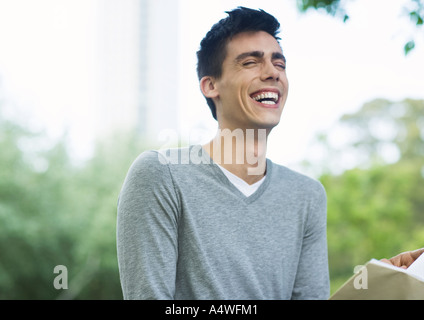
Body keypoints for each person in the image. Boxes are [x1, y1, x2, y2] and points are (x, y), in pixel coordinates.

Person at [116, 7, 423, 300]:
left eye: (280, 64)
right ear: (210, 86)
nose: (272, 73)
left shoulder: (307, 195)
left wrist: (376, 287)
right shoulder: (161, 175)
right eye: (251, 62)